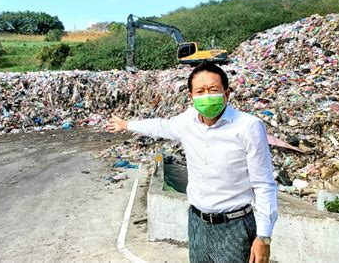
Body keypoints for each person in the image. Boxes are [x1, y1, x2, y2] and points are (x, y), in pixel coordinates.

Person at [106, 61, 278, 263]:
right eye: (200, 91)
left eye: (213, 89)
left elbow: (264, 184)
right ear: (191, 97)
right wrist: (127, 125)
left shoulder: (248, 127)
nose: (206, 95)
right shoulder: (187, 120)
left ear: (227, 93)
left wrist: (264, 237)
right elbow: (161, 127)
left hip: (235, 226)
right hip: (197, 223)